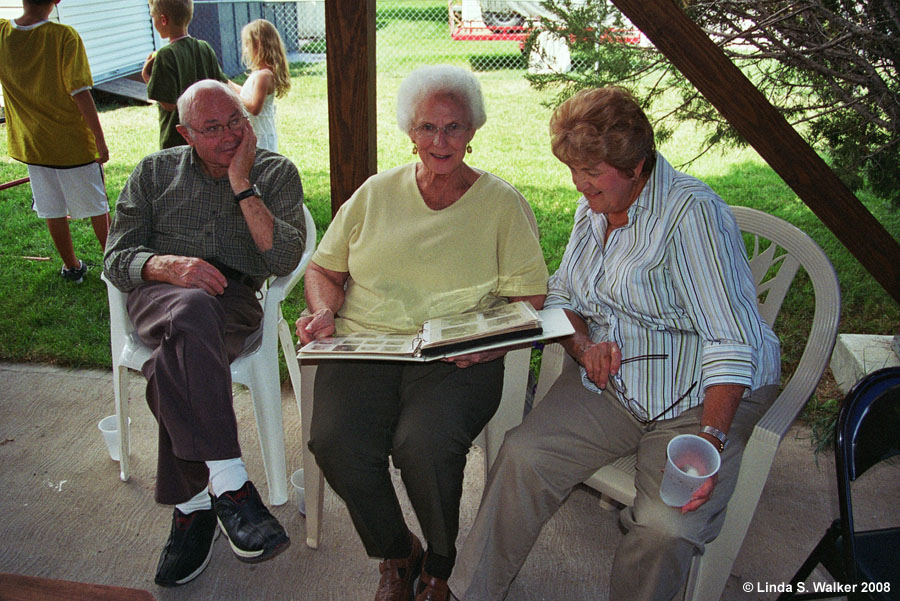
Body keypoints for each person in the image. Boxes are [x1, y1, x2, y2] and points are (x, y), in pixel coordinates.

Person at [449, 86, 782, 601]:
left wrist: (708, 443)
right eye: (573, 171)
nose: (579, 185)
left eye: (591, 172)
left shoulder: (692, 215)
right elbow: (564, 295)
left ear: (634, 166)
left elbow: (731, 341)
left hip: (700, 393)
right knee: (523, 454)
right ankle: (471, 593)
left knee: (667, 527)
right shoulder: (596, 209)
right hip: (614, 379)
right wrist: (583, 346)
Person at [295, 64, 549, 601]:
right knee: (336, 441)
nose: (441, 140)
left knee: (425, 444)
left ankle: (440, 566)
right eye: (428, 128)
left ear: (473, 131)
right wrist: (323, 312)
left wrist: (492, 344)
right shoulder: (374, 193)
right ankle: (397, 553)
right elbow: (324, 270)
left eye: (453, 127)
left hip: (456, 356)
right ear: (409, 132)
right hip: (368, 345)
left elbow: (531, 298)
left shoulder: (502, 205)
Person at [103, 79, 306, 588]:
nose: (230, 134)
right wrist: (165, 265)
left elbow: (283, 259)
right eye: (212, 128)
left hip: (235, 301)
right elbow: (115, 255)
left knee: (167, 364)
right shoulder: (154, 172)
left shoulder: (275, 172)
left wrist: (242, 182)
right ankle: (231, 484)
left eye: (236, 121)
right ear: (185, 133)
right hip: (160, 294)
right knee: (189, 308)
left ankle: (194, 506)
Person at [0, 0, 110, 283]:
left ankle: (72, 267)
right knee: (98, 207)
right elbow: (80, 92)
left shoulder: (2, 33)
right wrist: (99, 140)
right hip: (73, 145)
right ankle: (113, 266)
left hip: (32, 145)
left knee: (53, 209)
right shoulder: (64, 36)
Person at [142, 0, 228, 149]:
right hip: (209, 136)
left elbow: (168, 104)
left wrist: (147, 77)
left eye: (152, 16)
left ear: (163, 20)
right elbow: (220, 86)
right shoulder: (205, 48)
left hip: (178, 141)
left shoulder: (166, 55)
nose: (152, 21)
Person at [228, 18, 291, 152]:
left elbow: (254, 107)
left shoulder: (264, 76)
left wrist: (230, 95)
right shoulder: (259, 73)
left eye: (247, 44)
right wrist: (226, 83)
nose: (245, 50)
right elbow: (246, 93)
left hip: (260, 136)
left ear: (259, 45)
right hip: (255, 132)